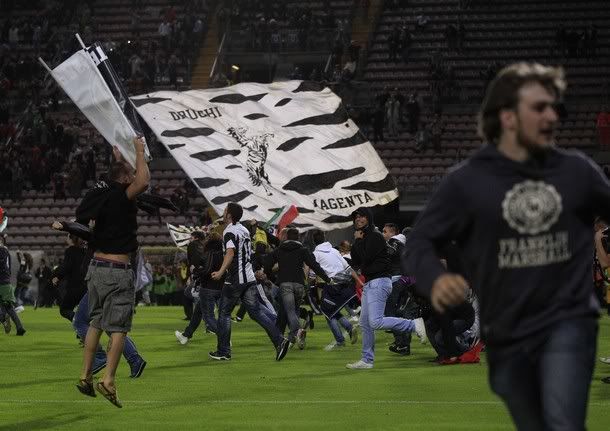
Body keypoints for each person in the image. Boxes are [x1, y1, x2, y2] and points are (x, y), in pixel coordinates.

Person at [405, 63, 610, 430]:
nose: (551, 116)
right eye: (539, 107)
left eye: (552, 108)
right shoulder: (467, 181)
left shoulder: (577, 171)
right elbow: (419, 241)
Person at [74, 137, 150, 408]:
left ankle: (85, 376)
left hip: (96, 268)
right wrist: (139, 151)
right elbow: (143, 181)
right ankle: (108, 380)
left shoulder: (100, 196)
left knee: (95, 322)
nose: (133, 177)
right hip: (118, 270)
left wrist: (118, 159)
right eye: (129, 174)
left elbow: (118, 178)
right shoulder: (123, 195)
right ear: (124, 179)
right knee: (118, 328)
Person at [346, 207, 426, 369]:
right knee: (365, 323)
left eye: (361, 216)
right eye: (356, 217)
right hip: (370, 283)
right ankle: (367, 360)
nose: (358, 219)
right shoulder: (364, 237)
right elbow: (356, 261)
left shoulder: (375, 236)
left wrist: (359, 241)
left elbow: (366, 258)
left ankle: (414, 325)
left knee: (375, 322)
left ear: (368, 218)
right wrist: (357, 241)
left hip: (379, 281)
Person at [209, 202, 290, 361]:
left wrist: (220, 272)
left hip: (235, 279)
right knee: (256, 312)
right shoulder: (244, 230)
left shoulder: (229, 231)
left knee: (224, 313)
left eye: (225, 211)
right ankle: (279, 340)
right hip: (249, 277)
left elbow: (230, 253)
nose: (223, 213)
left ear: (229, 214)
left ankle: (224, 351)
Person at [264, 227, 330, 349]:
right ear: (298, 237)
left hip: (285, 284)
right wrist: (327, 279)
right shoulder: (303, 250)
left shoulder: (279, 250)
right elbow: (314, 265)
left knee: (290, 312)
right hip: (299, 285)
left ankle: (298, 331)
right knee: (295, 311)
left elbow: (267, 264)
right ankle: (292, 339)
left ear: (287, 237)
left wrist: (273, 279)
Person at [311, 229, 360, 351]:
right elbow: (348, 268)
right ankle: (349, 328)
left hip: (332, 285)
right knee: (333, 310)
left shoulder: (315, 254)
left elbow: (312, 273)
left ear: (313, 241)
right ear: (324, 238)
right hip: (345, 284)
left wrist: (308, 281)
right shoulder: (334, 251)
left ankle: (340, 340)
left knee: (328, 313)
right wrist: (359, 281)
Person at [0, 234, 26, 336]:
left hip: (2, 282)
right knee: (8, 306)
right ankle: (20, 328)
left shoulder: (2, 251)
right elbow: (8, 268)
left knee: (5, 307)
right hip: (6, 282)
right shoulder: (6, 252)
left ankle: (4, 318)